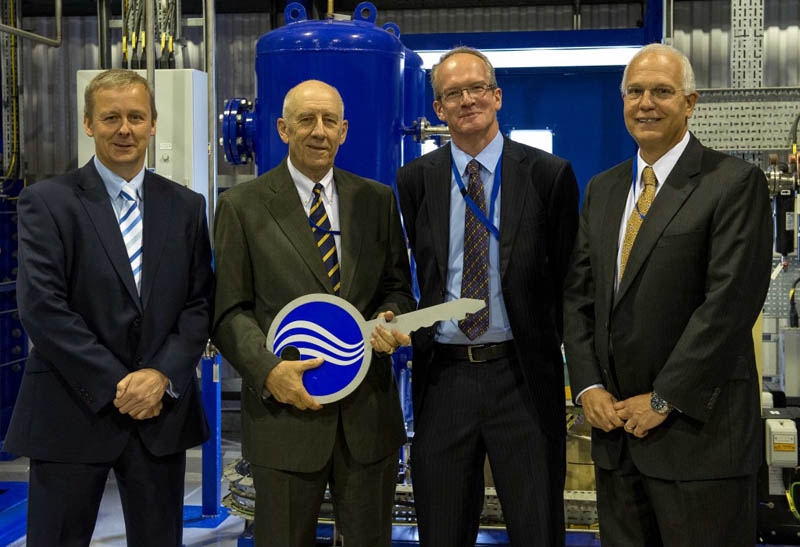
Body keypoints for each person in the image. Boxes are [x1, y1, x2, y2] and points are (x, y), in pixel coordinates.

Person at [563, 43, 772, 547]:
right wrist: (588, 388)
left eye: (662, 91)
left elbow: (728, 307)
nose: (646, 104)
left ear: (690, 102)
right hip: (618, 439)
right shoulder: (604, 189)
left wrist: (663, 398)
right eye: (635, 92)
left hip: (698, 444)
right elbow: (579, 297)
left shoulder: (733, 183)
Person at [4, 69, 213, 546]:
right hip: (72, 410)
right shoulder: (48, 202)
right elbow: (42, 307)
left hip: (160, 415)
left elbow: (199, 303)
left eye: (136, 117)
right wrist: (120, 384)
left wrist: (160, 376)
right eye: (111, 117)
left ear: (153, 124)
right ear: (88, 124)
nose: (125, 129)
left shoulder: (186, 206)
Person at [212, 79, 415, 547]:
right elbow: (229, 310)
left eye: (329, 121)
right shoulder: (242, 207)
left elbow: (399, 289)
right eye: (306, 120)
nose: (318, 131)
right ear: (283, 129)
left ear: (344, 131)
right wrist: (269, 372)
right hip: (284, 420)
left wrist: (391, 318)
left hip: (368, 422)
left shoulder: (377, 200)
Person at [396, 47, 579, 547]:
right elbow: (417, 272)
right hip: (444, 378)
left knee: (536, 524)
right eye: (452, 93)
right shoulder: (416, 180)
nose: (467, 100)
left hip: (520, 376)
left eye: (477, 88)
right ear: (438, 109)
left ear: (497, 96)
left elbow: (569, 280)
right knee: (442, 527)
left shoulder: (548, 175)